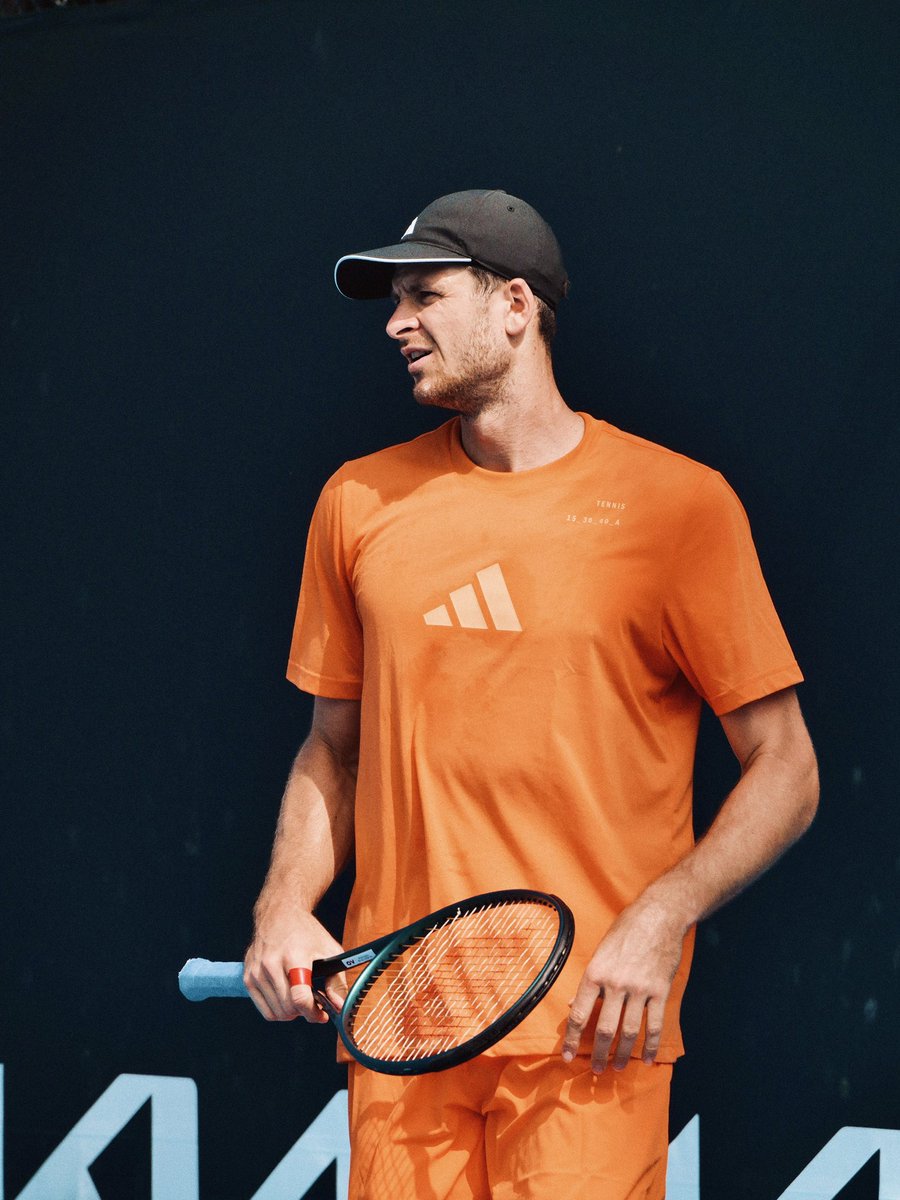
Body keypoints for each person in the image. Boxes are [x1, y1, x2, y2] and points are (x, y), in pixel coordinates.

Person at [243, 189, 818, 1200]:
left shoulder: (678, 506)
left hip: (593, 1031)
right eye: (394, 301)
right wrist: (287, 904)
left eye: (425, 295)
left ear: (516, 306)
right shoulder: (357, 501)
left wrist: (661, 918)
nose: (396, 323)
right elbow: (335, 748)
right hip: (402, 1021)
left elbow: (789, 769)